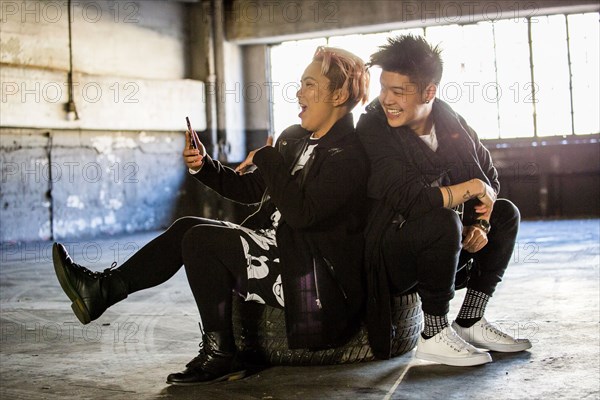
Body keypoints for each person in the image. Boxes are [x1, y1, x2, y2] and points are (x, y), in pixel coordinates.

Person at [52, 46, 370, 384]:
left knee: (203, 241)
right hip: (277, 247)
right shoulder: (294, 139)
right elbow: (249, 190)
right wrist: (204, 166)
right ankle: (101, 291)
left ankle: (220, 352)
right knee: (188, 226)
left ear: (339, 94)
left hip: (310, 273)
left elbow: (304, 215)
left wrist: (268, 158)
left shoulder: (349, 156)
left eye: (309, 85)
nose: (297, 93)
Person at [356, 34, 531, 367]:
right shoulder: (373, 125)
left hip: (444, 249)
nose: (386, 99)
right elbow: (406, 197)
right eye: (383, 88)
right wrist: (473, 187)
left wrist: (480, 222)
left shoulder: (450, 121)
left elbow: (490, 178)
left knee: (506, 213)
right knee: (441, 218)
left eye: (399, 91)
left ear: (429, 92)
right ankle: (433, 334)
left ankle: (470, 321)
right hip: (392, 251)